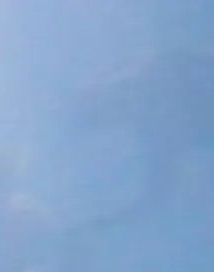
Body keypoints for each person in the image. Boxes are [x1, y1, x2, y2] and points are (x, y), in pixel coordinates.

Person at [70, 48, 214, 227]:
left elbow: (158, 194)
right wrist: (102, 226)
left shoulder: (165, 63)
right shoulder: (157, 135)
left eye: (103, 95)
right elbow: (158, 194)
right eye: (105, 108)